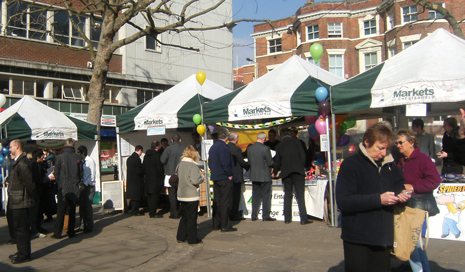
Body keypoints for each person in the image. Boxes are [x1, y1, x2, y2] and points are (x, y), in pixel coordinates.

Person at [336, 123, 411, 272]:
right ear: (367, 142)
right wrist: (378, 200)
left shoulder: (390, 165)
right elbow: (344, 201)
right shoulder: (351, 165)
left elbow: (399, 184)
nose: (383, 153)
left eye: (387, 148)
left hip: (384, 238)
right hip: (358, 238)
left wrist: (402, 193)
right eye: (380, 148)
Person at [396, 129, 441, 272]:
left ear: (412, 143)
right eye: (397, 143)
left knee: (414, 243)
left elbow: (435, 180)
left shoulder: (423, 159)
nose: (398, 145)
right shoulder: (401, 161)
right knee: (416, 244)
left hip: (418, 207)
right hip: (405, 207)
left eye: (401, 142)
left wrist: (414, 187)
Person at [273, 129, 311, 225]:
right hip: (298, 171)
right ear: (291, 135)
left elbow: (277, 161)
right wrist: (301, 166)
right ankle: (303, 219)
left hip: (286, 172)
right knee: (300, 195)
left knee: (288, 194)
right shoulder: (297, 142)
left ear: (281, 136)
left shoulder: (279, 146)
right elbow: (303, 155)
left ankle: (287, 218)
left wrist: (275, 172)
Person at [8, 139, 36, 264]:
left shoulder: (23, 163)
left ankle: (24, 254)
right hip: (17, 199)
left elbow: (29, 183)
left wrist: (33, 197)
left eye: (10, 147)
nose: (9, 149)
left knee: (22, 229)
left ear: (17, 147)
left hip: (21, 200)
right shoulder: (18, 162)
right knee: (18, 228)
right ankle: (21, 251)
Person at [52, 138, 83, 239]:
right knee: (72, 210)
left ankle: (57, 233)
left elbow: (56, 172)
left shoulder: (60, 157)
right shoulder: (78, 158)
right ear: (73, 146)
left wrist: (59, 183)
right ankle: (71, 232)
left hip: (63, 186)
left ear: (65, 145)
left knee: (61, 211)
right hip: (74, 187)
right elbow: (80, 173)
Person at [209, 127, 238, 232]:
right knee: (225, 202)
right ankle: (225, 225)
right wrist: (229, 174)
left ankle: (216, 223)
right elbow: (225, 163)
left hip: (216, 177)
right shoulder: (223, 147)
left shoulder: (213, 147)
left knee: (217, 201)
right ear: (226, 136)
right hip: (224, 178)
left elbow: (210, 163)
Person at [176, 146, 205, 245]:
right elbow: (195, 180)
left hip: (181, 194)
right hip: (191, 194)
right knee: (192, 217)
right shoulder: (193, 166)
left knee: (184, 216)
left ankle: (181, 236)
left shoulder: (180, 164)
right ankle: (192, 239)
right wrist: (202, 177)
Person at [247, 132, 275, 221]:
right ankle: (265, 216)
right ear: (264, 139)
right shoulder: (266, 148)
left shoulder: (250, 148)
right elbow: (270, 162)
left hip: (254, 175)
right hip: (264, 175)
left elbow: (250, 161)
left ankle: (254, 215)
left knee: (255, 196)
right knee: (266, 196)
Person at [161, 134, 184, 219]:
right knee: (181, 193)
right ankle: (181, 210)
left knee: (172, 194)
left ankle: (174, 212)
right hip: (181, 174)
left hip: (170, 174)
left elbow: (162, 160)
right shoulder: (183, 149)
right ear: (180, 140)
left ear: (171, 140)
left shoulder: (168, 149)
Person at [227, 132, 249, 221]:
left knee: (229, 196)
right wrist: (249, 166)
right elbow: (241, 162)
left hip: (228, 175)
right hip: (236, 175)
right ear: (236, 139)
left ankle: (229, 213)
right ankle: (234, 214)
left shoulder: (226, 148)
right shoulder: (237, 149)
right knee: (236, 196)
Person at [77, 145, 96, 232]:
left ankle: (89, 225)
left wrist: (85, 184)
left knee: (88, 206)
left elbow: (92, 175)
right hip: (82, 186)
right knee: (82, 206)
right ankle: (82, 225)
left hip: (89, 186)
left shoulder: (90, 161)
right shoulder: (81, 161)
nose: (77, 154)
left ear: (83, 153)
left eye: (78, 152)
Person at [143, 141, 165, 218]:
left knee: (149, 197)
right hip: (156, 179)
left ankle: (151, 211)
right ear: (157, 147)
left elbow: (144, 167)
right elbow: (160, 168)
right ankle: (153, 213)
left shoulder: (146, 156)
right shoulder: (157, 155)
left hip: (148, 179)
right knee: (155, 197)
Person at [126, 145, 145, 216]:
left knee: (133, 197)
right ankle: (135, 211)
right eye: (141, 152)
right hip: (137, 181)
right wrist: (144, 170)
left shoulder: (129, 158)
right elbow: (138, 171)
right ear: (140, 150)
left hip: (131, 180)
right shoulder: (137, 159)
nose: (141, 153)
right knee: (137, 197)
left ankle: (133, 210)